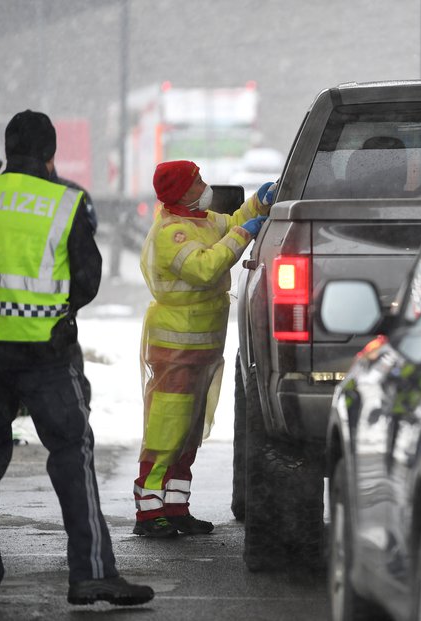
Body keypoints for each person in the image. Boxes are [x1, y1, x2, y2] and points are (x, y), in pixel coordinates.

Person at [0, 110, 154, 608]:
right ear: (50, 153)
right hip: (46, 354)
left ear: (8, 146)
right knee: (71, 457)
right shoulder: (67, 201)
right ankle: (91, 574)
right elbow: (86, 279)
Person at [134, 159, 273, 538]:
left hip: (203, 348)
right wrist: (245, 233)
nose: (205, 185)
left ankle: (176, 507)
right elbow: (206, 266)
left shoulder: (202, 219)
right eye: (197, 182)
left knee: (191, 431)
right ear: (181, 191)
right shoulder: (171, 232)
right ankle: (149, 511)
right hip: (174, 348)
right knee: (167, 429)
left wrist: (258, 204)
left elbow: (230, 224)